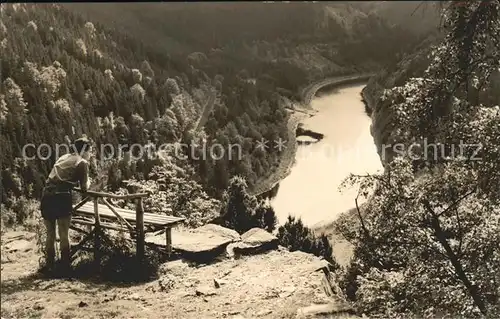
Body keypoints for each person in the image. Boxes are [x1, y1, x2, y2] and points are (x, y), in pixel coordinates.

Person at [40, 137, 92, 273]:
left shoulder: (63, 158)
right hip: (61, 196)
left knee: (50, 234)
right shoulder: (82, 162)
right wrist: (89, 181)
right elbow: (84, 188)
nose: (90, 154)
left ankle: (49, 266)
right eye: (90, 151)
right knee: (64, 234)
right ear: (84, 151)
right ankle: (64, 267)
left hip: (47, 195)